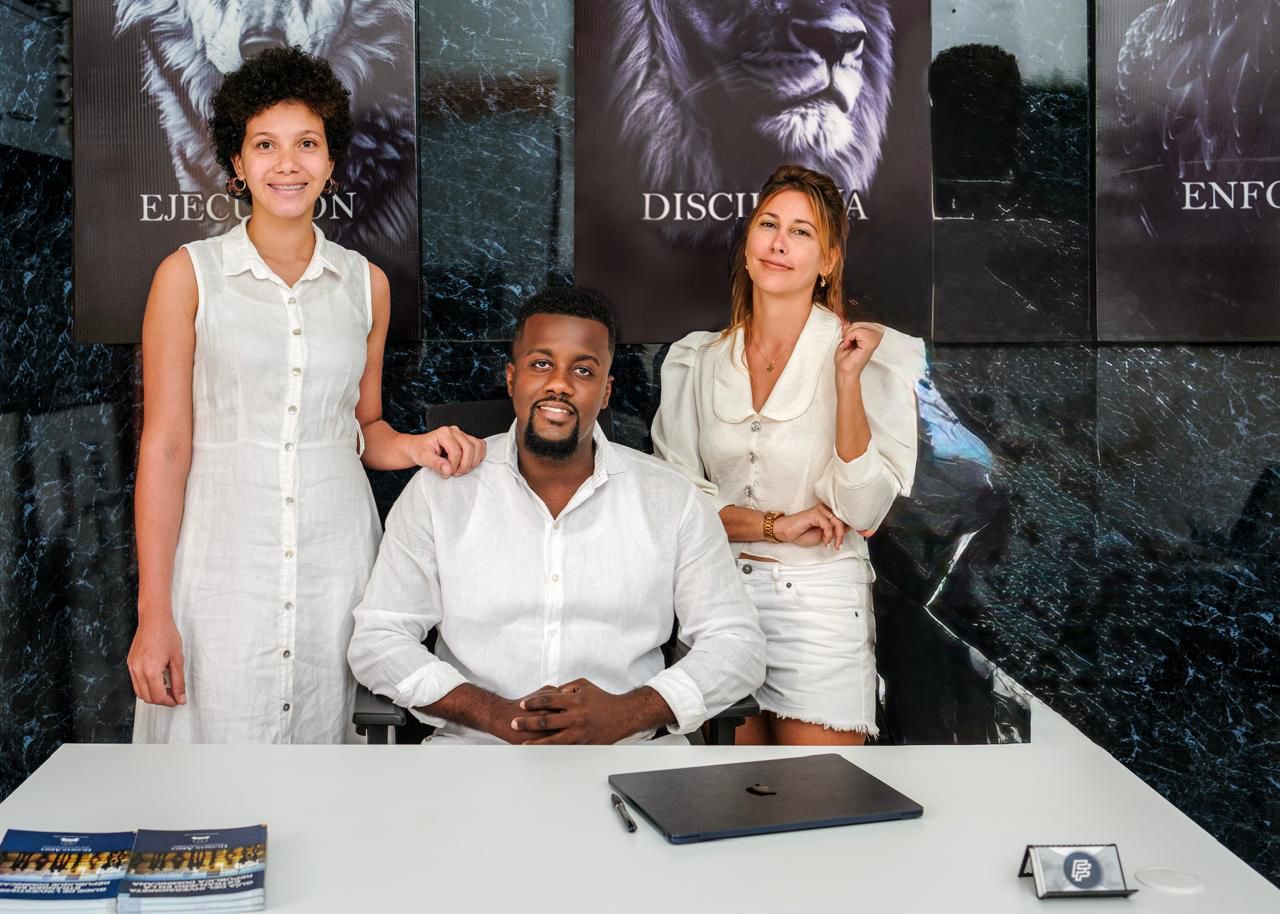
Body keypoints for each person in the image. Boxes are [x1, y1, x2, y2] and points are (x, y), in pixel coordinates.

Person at [127, 47, 486, 744]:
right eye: (265, 144)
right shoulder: (188, 275)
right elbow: (165, 446)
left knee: (328, 757)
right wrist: (153, 612)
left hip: (336, 565)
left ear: (331, 161)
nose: (286, 164)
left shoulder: (365, 284)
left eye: (306, 144)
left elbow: (365, 428)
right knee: (211, 761)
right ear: (236, 162)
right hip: (220, 570)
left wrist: (418, 446)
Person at [347, 288, 766, 744]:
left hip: (630, 755)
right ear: (512, 378)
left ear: (606, 392)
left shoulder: (671, 497)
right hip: (476, 754)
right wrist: (492, 714)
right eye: (541, 364)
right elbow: (379, 638)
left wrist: (628, 713)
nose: (560, 384)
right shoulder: (439, 492)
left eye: (583, 370)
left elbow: (737, 645)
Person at [652, 164, 925, 746]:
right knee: (721, 794)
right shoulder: (696, 360)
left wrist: (847, 382)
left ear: (828, 261)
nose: (779, 242)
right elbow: (675, 503)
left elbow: (862, 510)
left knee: (821, 791)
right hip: (717, 602)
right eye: (769, 224)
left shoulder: (869, 355)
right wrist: (774, 525)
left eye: (802, 232)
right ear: (747, 243)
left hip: (820, 607)